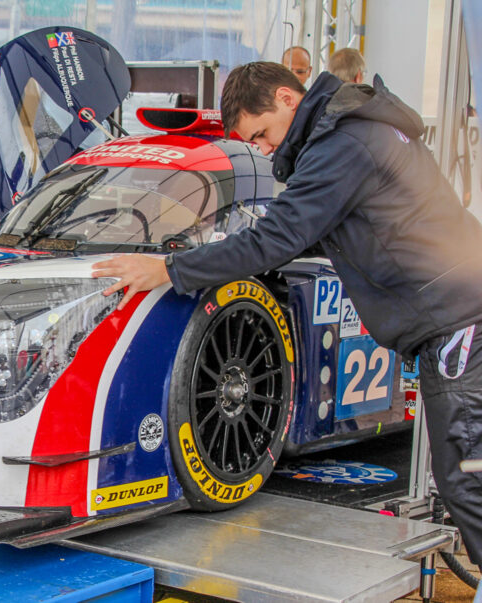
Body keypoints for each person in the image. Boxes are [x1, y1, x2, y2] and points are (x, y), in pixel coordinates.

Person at [92, 61, 482, 570]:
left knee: (465, 479)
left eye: (261, 134)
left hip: (456, 320)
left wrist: (168, 267)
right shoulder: (359, 127)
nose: (264, 148)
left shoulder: (343, 143)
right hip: (455, 311)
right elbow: (325, 230)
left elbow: (278, 239)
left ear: (286, 98)